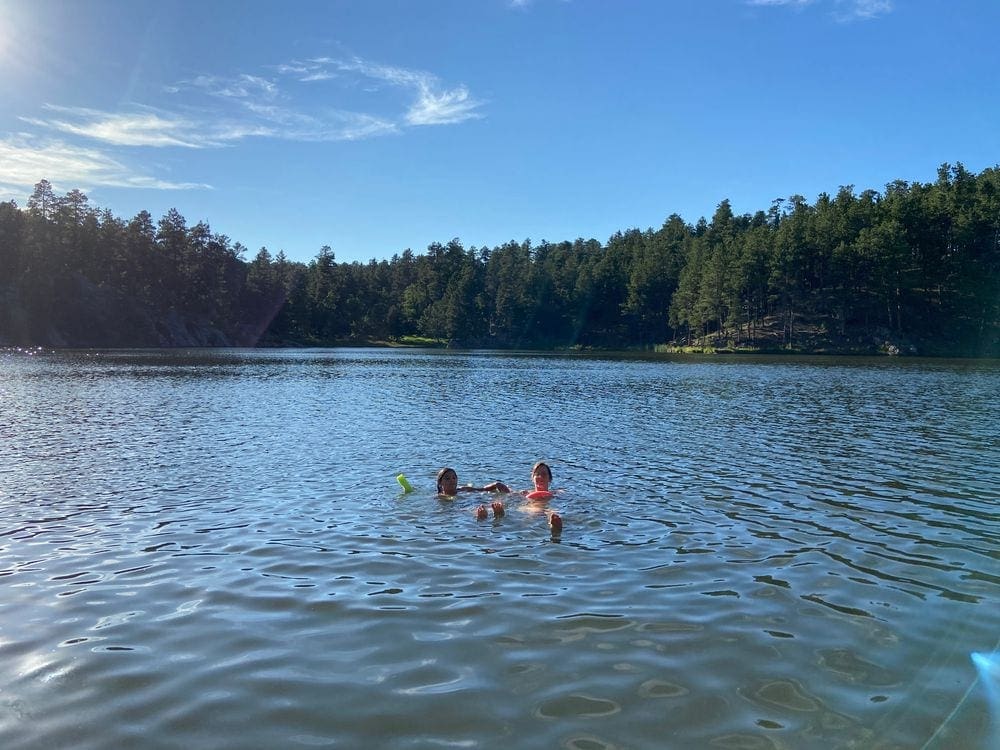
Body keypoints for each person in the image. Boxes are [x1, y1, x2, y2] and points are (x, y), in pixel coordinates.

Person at [436, 467, 509, 519]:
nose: (452, 480)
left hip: (476, 501)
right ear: (440, 483)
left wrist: (496, 484)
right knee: (471, 510)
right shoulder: (440, 497)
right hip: (465, 508)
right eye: (447, 478)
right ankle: (488, 515)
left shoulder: (462, 489)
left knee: (496, 503)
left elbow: (483, 489)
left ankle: (496, 512)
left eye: (454, 478)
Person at [524, 461, 562, 533]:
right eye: (537, 474)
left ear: (549, 479)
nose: (540, 477)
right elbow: (509, 493)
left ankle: (555, 527)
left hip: (548, 506)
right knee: (530, 511)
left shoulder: (555, 493)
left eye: (544, 474)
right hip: (532, 508)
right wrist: (498, 486)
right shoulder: (525, 493)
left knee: (553, 513)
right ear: (533, 478)